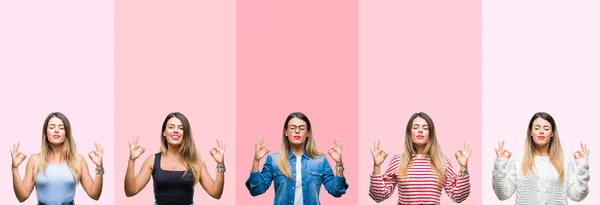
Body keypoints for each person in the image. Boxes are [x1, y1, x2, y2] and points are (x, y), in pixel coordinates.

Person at [246, 112, 348, 205]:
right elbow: (256, 190)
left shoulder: (320, 160)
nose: (297, 131)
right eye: (292, 128)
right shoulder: (273, 160)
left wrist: (339, 163)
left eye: (302, 128)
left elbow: (337, 191)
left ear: (308, 133)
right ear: (286, 132)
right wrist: (256, 160)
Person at [369, 112, 471, 204]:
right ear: (409, 133)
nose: (420, 131)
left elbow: (458, 197)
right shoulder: (398, 161)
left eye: (425, 128)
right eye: (416, 127)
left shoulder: (442, 161)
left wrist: (463, 167)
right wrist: (376, 167)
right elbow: (378, 196)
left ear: (430, 134)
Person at [124, 112, 225, 205]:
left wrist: (220, 164)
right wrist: (131, 160)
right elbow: (130, 191)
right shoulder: (152, 160)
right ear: (164, 132)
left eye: (181, 128)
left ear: (186, 134)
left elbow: (216, 193)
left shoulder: (196, 161)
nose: (176, 130)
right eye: (171, 127)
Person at [493, 112, 590, 204]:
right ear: (531, 132)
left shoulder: (565, 160)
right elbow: (503, 194)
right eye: (537, 128)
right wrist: (500, 164)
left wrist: (582, 166)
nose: (541, 131)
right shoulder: (519, 159)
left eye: (546, 129)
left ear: (552, 133)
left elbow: (577, 195)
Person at [11, 112, 104, 205]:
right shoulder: (35, 160)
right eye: (52, 127)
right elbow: (22, 197)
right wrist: (14, 168)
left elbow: (94, 194)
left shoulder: (78, 160)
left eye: (61, 128)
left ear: (66, 132)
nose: (56, 130)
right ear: (45, 132)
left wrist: (99, 166)